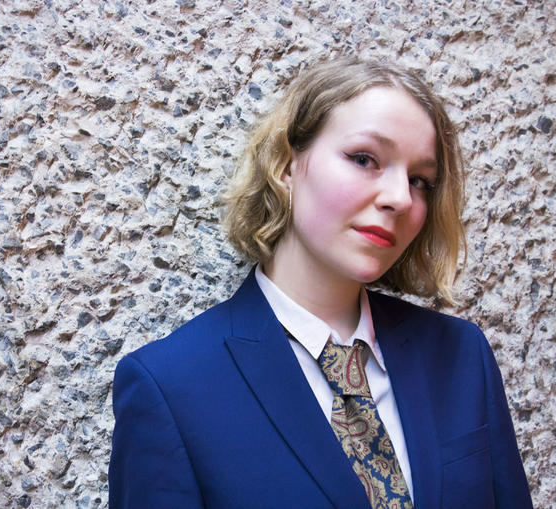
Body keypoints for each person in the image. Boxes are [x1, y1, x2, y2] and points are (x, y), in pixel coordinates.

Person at [108, 58, 532, 508]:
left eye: (420, 180)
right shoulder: (170, 387)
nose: (399, 198)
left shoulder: (461, 356)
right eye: (364, 159)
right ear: (287, 166)